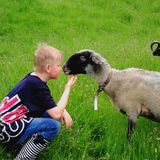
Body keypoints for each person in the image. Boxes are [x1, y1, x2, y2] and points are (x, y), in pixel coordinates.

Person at [0, 44, 77, 159]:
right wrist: (68, 87)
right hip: (8, 130)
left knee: (51, 116)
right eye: (58, 65)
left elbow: (45, 103)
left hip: (5, 126)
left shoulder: (32, 79)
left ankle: (18, 145)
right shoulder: (37, 85)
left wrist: (63, 111)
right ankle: (23, 158)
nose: (61, 68)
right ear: (48, 68)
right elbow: (56, 114)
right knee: (53, 126)